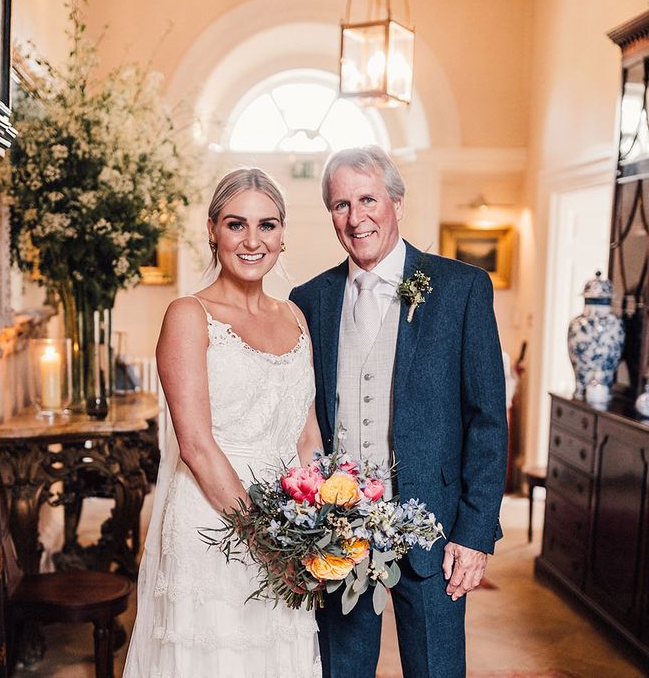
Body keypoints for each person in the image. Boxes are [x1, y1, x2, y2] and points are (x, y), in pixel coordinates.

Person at [290, 146, 507, 678]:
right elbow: (303, 415)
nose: (355, 217)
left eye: (368, 199)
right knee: (340, 670)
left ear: (396, 203)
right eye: (340, 204)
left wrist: (475, 535)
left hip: (433, 531)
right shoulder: (309, 299)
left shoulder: (461, 289)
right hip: (337, 532)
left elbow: (487, 420)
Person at [123, 168, 322, 677]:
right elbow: (196, 445)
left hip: (289, 527)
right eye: (237, 225)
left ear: (282, 234)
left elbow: (306, 435)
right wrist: (267, 544)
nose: (253, 241)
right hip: (215, 526)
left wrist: (323, 530)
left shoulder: (297, 317)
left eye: (268, 225)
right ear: (212, 229)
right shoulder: (188, 314)